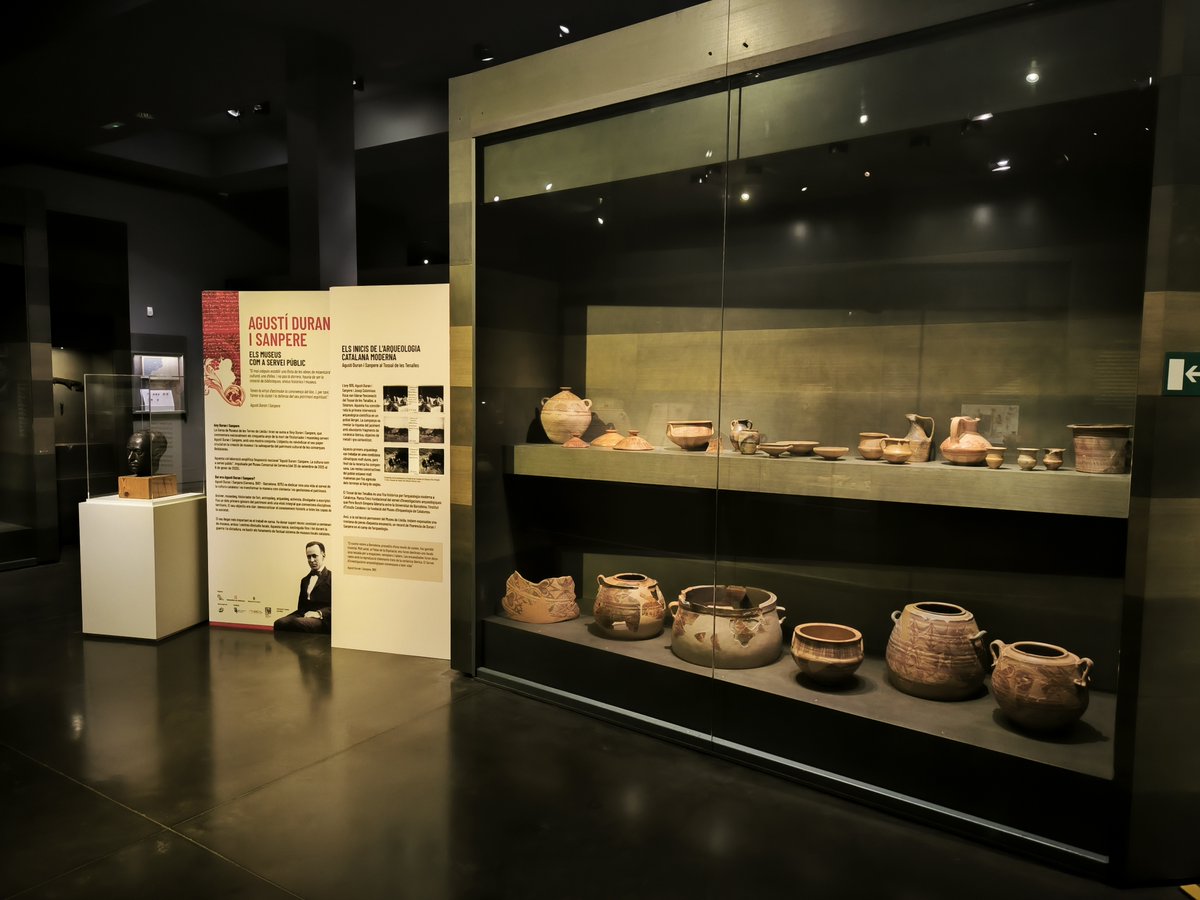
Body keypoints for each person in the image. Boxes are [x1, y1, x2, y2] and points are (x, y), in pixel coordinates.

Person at [273, 541, 332, 633]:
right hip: (304, 615)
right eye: (309, 557)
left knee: (298, 623)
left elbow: (336, 607)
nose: (311, 560)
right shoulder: (304, 580)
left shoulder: (332, 578)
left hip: (323, 619)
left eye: (314, 556)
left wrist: (318, 613)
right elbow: (301, 607)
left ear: (323, 555)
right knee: (279, 623)